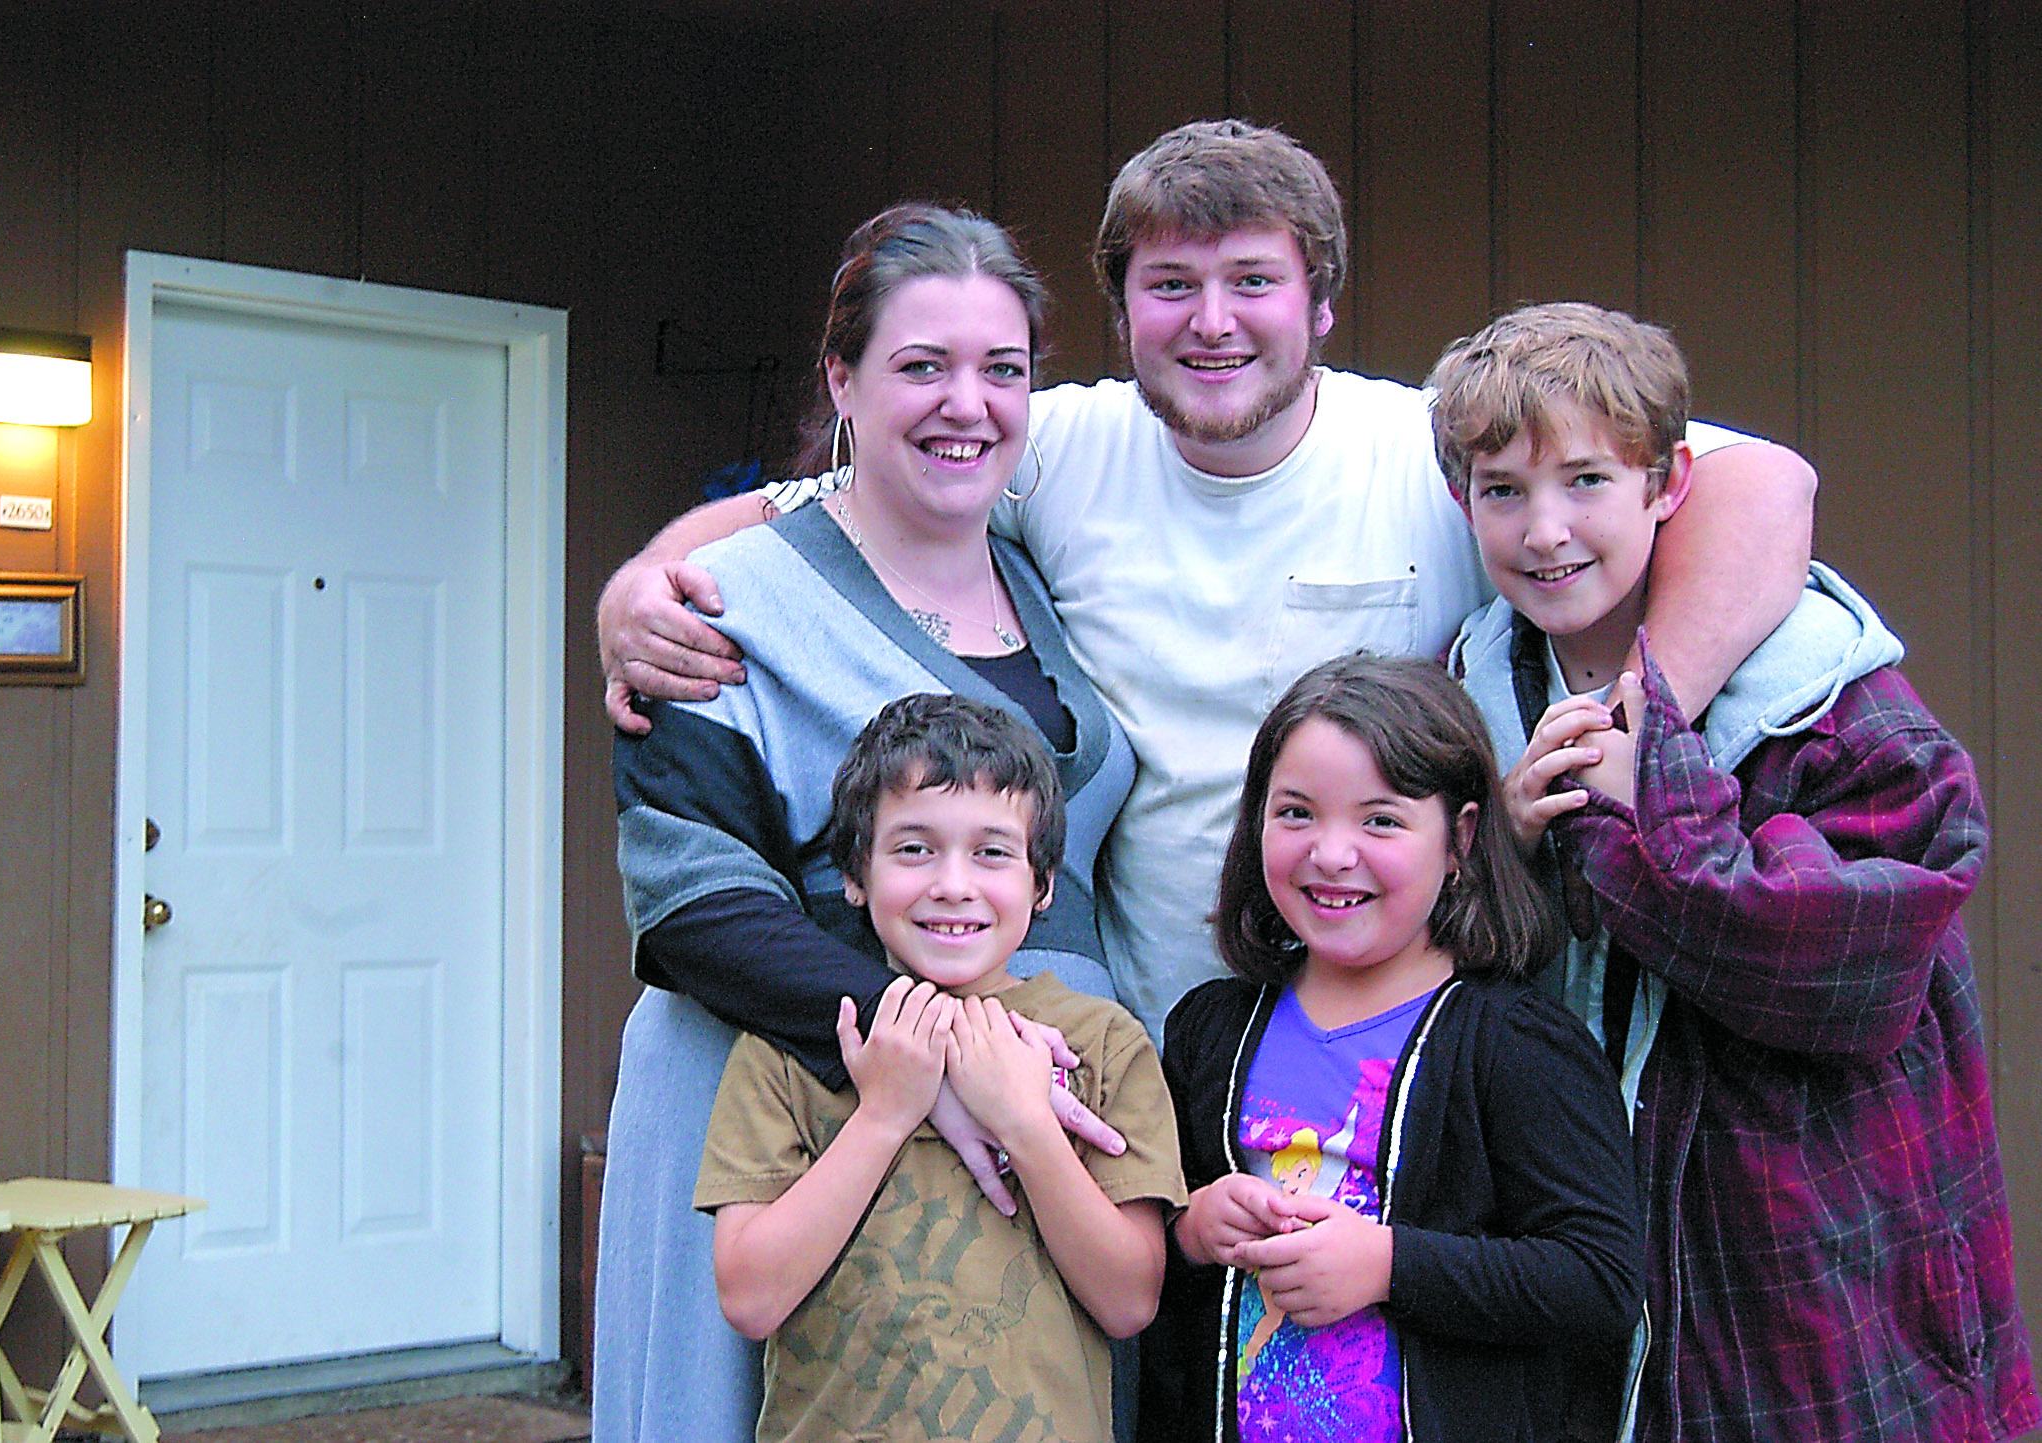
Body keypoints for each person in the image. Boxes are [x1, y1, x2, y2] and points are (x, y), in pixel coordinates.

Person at [596, 119, 1818, 1041]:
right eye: (1170, 287)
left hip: (1400, 1040)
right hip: (1146, 1043)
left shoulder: (1437, 449)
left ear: (1323, 302)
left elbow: (1762, 484)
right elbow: (828, 499)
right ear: (1122, 317)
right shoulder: (1056, 443)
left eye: (1252, 281)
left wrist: (1640, 724)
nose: (1211, 322)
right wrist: (640, 586)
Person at [1435, 301, 2038, 1443]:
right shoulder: (1465, 702)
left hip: (1818, 1272)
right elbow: (1422, 964)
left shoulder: (1836, 704)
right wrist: (1501, 851)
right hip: (1580, 1278)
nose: (1546, 528)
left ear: (1667, 485)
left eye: (1586, 483)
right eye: (1502, 492)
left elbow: (1847, 969)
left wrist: (1629, 808)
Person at [593, 204, 1138, 1443]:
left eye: (1004, 370)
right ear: (842, 380)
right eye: (921, 366)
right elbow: (692, 902)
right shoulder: (724, 606)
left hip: (1029, 1113)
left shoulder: (1036, 576)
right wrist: (939, 1051)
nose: (969, 402)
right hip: (769, 1100)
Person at [1143, 654, 1642, 1442]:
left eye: (1380, 819)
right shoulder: (1209, 1032)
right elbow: (1135, 1263)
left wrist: (1387, 1264)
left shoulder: (1516, 1045)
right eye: (1296, 812)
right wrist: (1190, 1230)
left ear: (1459, 838)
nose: (1332, 853)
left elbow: (1600, 1279)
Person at [696, 693, 1186, 1442]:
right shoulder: (789, 1049)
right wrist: (883, 1114)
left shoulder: (1100, 1041)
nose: (952, 882)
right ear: (855, 875)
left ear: (1042, 883)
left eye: (991, 851)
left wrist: (1024, 1120)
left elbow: (1128, 1301)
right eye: (914, 848)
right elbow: (751, 1297)